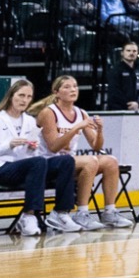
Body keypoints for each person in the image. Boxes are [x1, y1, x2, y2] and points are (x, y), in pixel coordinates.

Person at [0, 80, 80, 235]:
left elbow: (30, 158)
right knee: (37, 163)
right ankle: (28, 215)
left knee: (66, 161)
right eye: (21, 95)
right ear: (11, 96)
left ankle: (61, 212)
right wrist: (7, 145)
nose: (25, 100)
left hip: (25, 168)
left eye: (29, 97)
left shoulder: (30, 121)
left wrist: (31, 149)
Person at [36, 75, 132, 228]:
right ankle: (82, 213)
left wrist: (100, 130)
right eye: (67, 87)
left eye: (75, 86)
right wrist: (76, 128)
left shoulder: (81, 113)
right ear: (56, 92)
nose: (73, 89)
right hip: (48, 163)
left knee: (110, 161)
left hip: (69, 162)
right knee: (90, 161)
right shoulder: (49, 113)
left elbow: (96, 146)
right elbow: (54, 147)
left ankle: (109, 212)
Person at [105, 41, 139, 111]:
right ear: (122, 53)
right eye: (128, 51)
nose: (131, 53)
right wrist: (129, 104)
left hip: (135, 108)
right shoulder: (115, 70)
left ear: (137, 53)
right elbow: (115, 91)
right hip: (117, 109)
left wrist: (137, 103)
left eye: (134, 51)